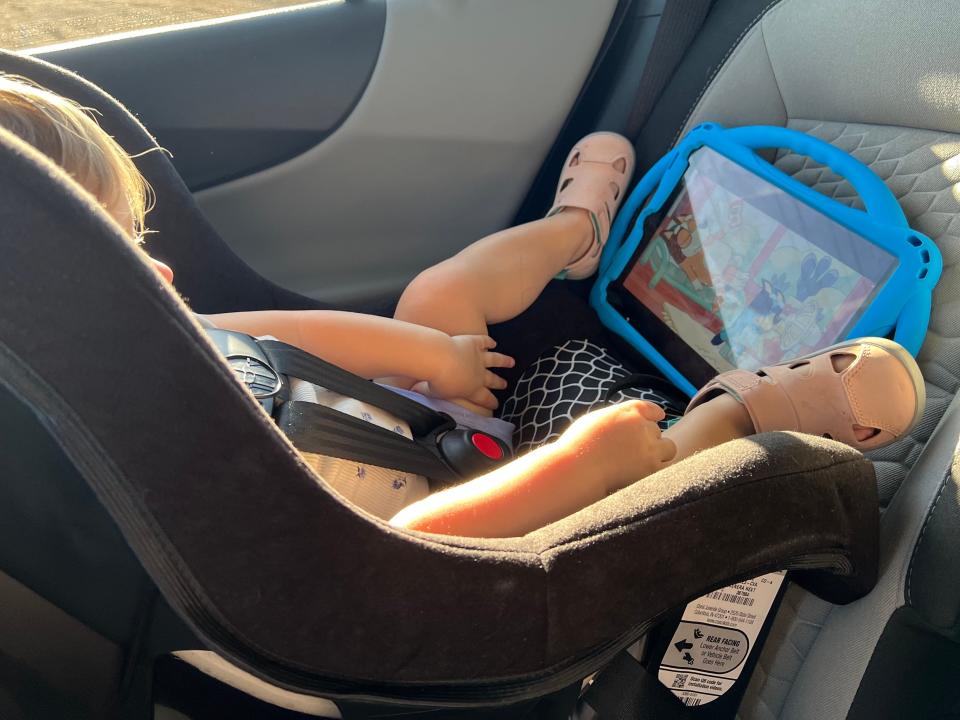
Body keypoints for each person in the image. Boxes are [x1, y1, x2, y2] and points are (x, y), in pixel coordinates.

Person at [0, 74, 926, 539]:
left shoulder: (126, 354)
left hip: (410, 424)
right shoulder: (150, 482)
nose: (161, 279)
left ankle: (576, 231)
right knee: (638, 454)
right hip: (477, 511)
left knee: (437, 300)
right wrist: (576, 463)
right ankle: (737, 415)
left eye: (136, 245)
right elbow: (405, 554)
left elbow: (262, 338)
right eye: (119, 263)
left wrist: (437, 361)